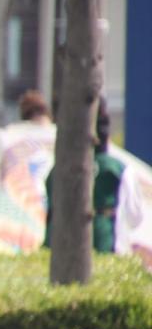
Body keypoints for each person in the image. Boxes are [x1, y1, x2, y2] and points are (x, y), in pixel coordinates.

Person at [44, 97, 126, 254]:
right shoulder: (117, 168)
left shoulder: (57, 170)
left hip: (59, 242)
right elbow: (134, 216)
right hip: (104, 239)